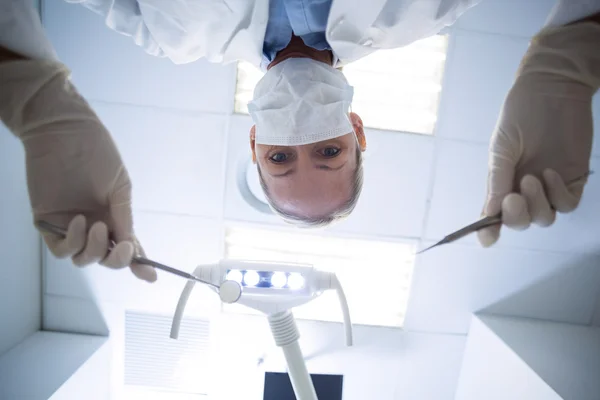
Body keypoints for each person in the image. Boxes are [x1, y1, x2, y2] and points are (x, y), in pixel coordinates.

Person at [0, 0, 599, 283]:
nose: (303, 139)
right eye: (329, 152)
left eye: (281, 158)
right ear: (358, 131)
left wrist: (29, 93)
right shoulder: (422, 12)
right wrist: (577, 43)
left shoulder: (167, 33)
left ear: (256, 138)